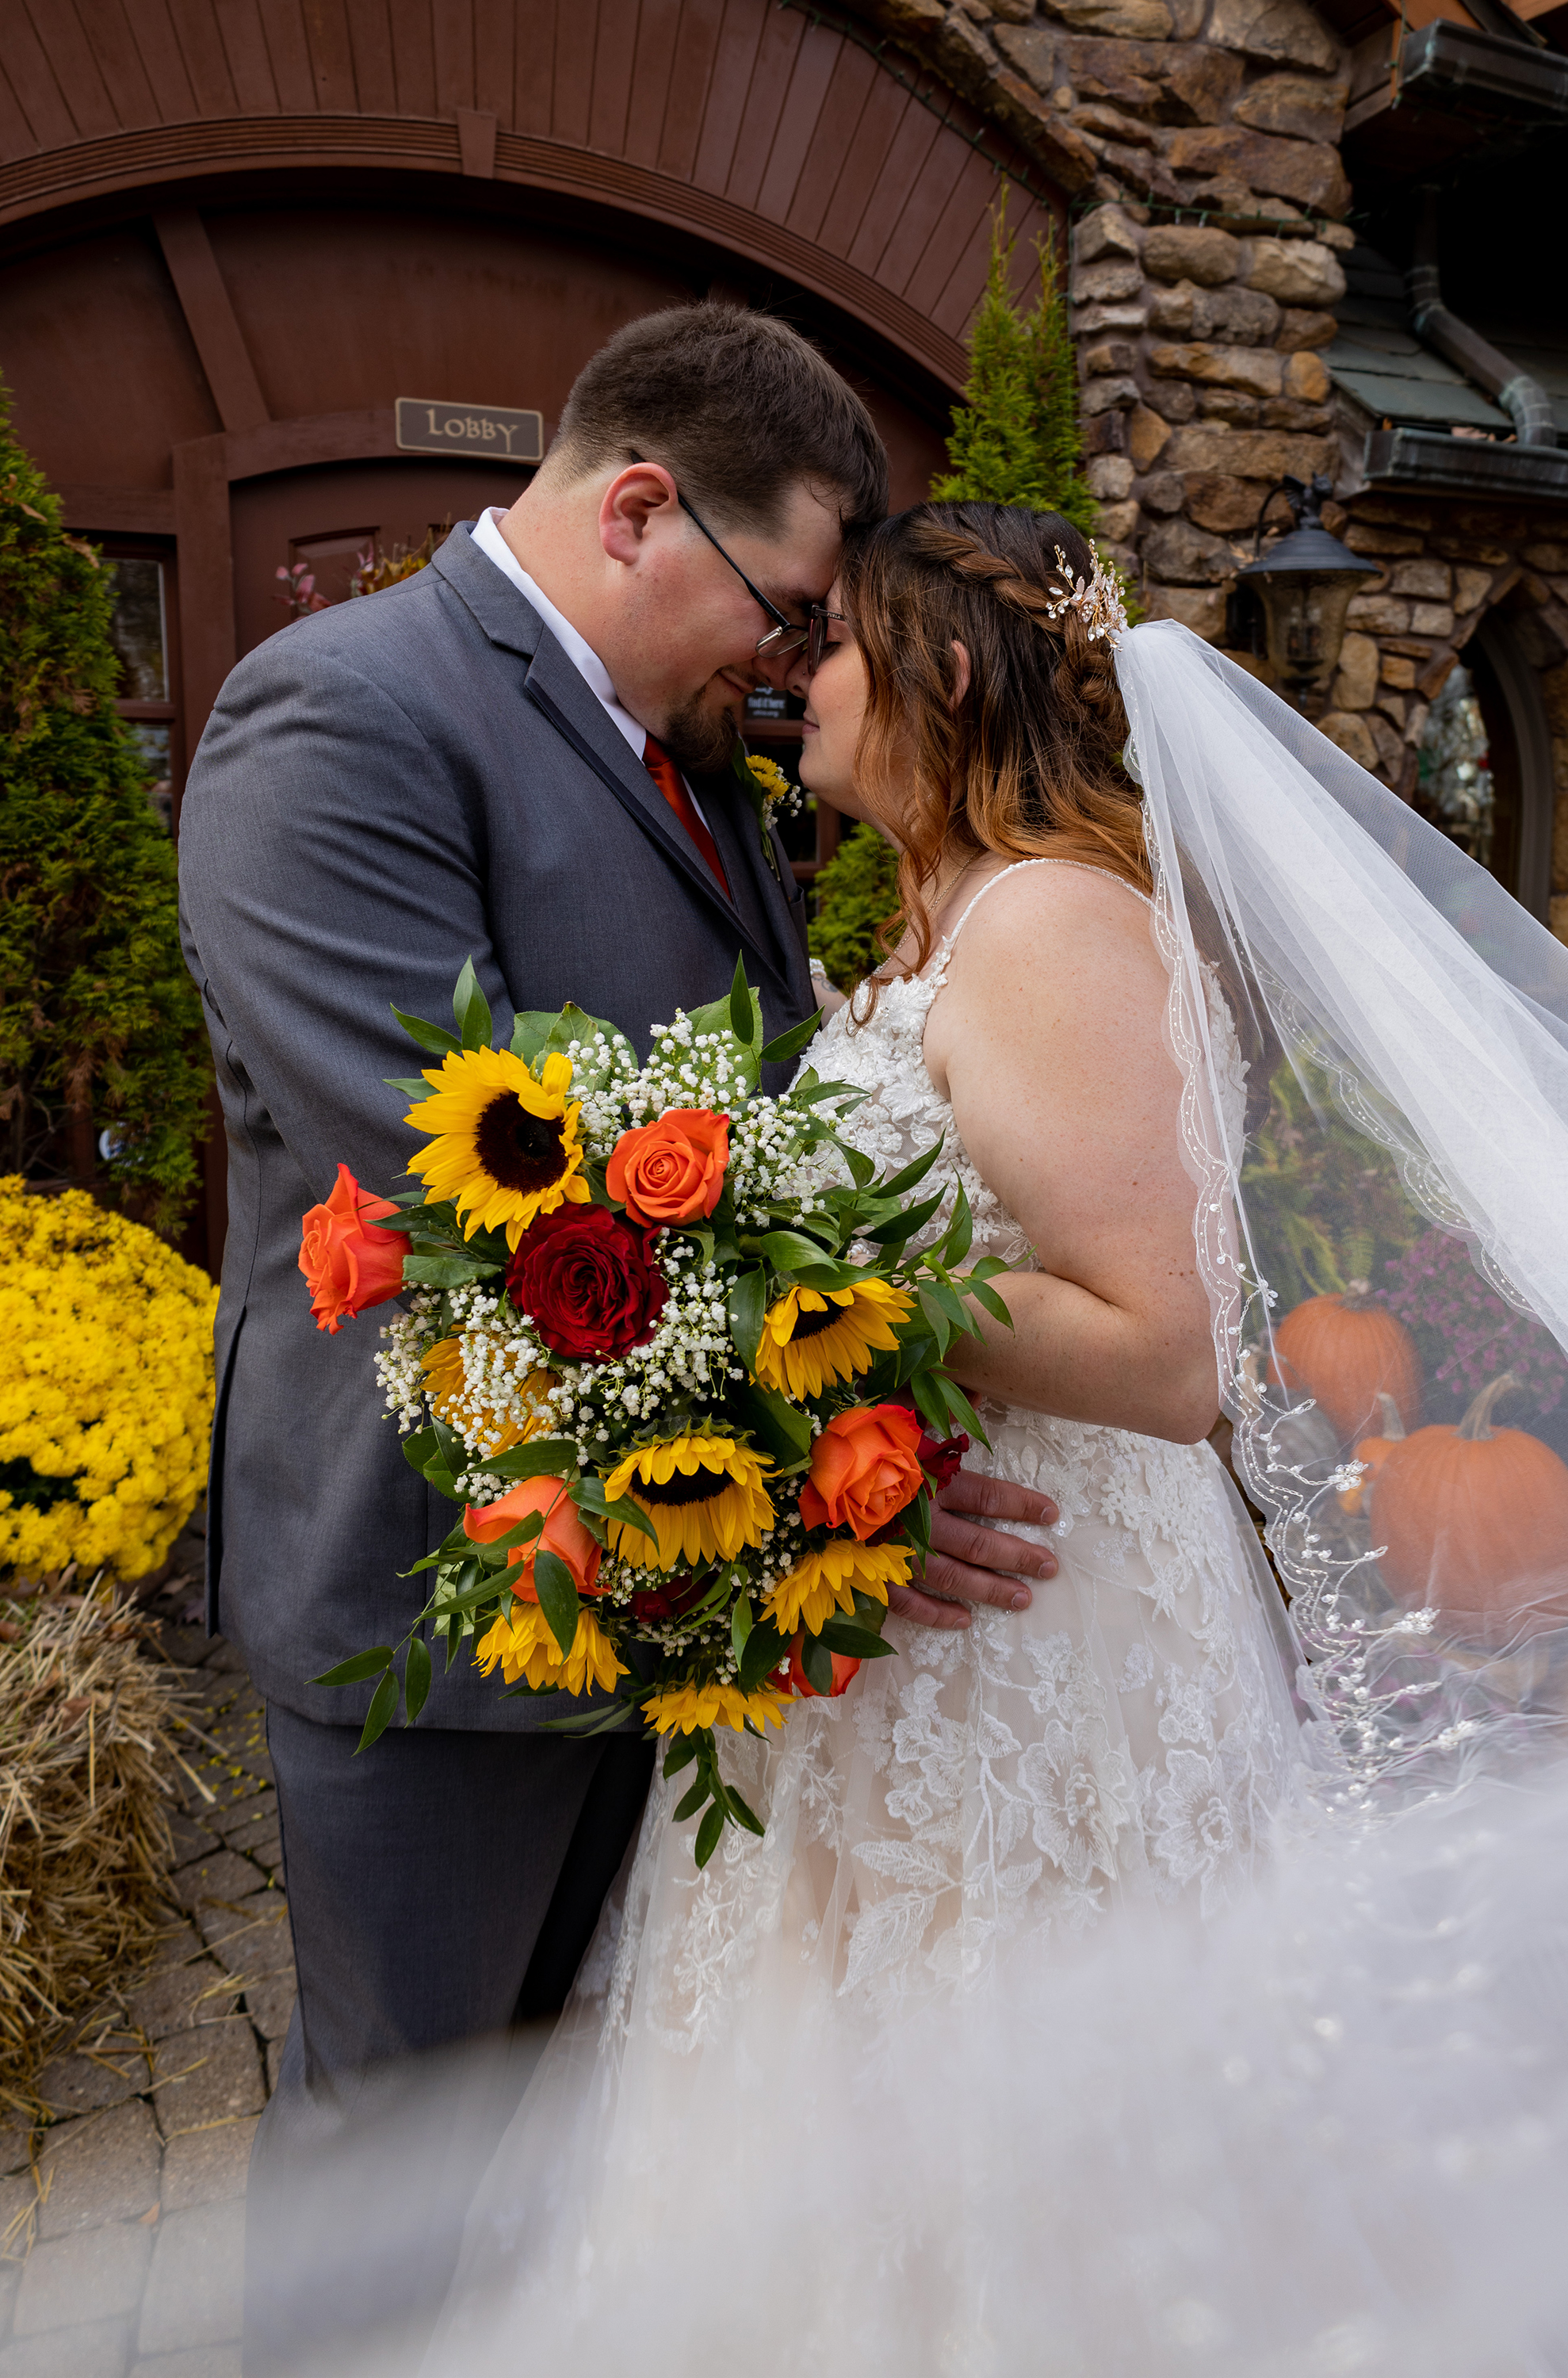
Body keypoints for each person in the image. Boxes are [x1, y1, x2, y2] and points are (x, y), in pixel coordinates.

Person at [416, 503, 1568, 2376]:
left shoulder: (1054, 922)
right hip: (909, 1620)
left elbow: (1166, 1352)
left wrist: (769, 1280)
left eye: (843, 646)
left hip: (1052, 1631)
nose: (805, 676)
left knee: (1030, 2147)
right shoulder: (933, 924)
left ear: (946, 674)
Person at [176, 318, 1057, 2374]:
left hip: (675, 1579)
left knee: (585, 2120)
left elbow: (748, 1130)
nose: (791, 662)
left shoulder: (700, 761)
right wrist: (817, 1491)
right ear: (641, 507)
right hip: (437, 1569)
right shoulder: (340, 719)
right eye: (785, 611)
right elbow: (488, 1185)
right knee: (398, 2148)